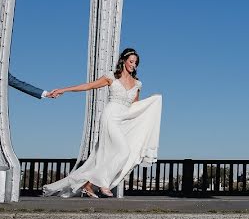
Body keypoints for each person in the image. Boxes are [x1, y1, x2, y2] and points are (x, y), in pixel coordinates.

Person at [41, 48, 162, 198]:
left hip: (123, 119)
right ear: (123, 61)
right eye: (131, 62)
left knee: (110, 156)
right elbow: (89, 86)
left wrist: (152, 102)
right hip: (110, 116)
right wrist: (64, 90)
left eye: (136, 63)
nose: (133, 65)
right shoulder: (111, 77)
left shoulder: (137, 84)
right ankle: (103, 184)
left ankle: (89, 184)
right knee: (124, 151)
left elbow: (135, 106)